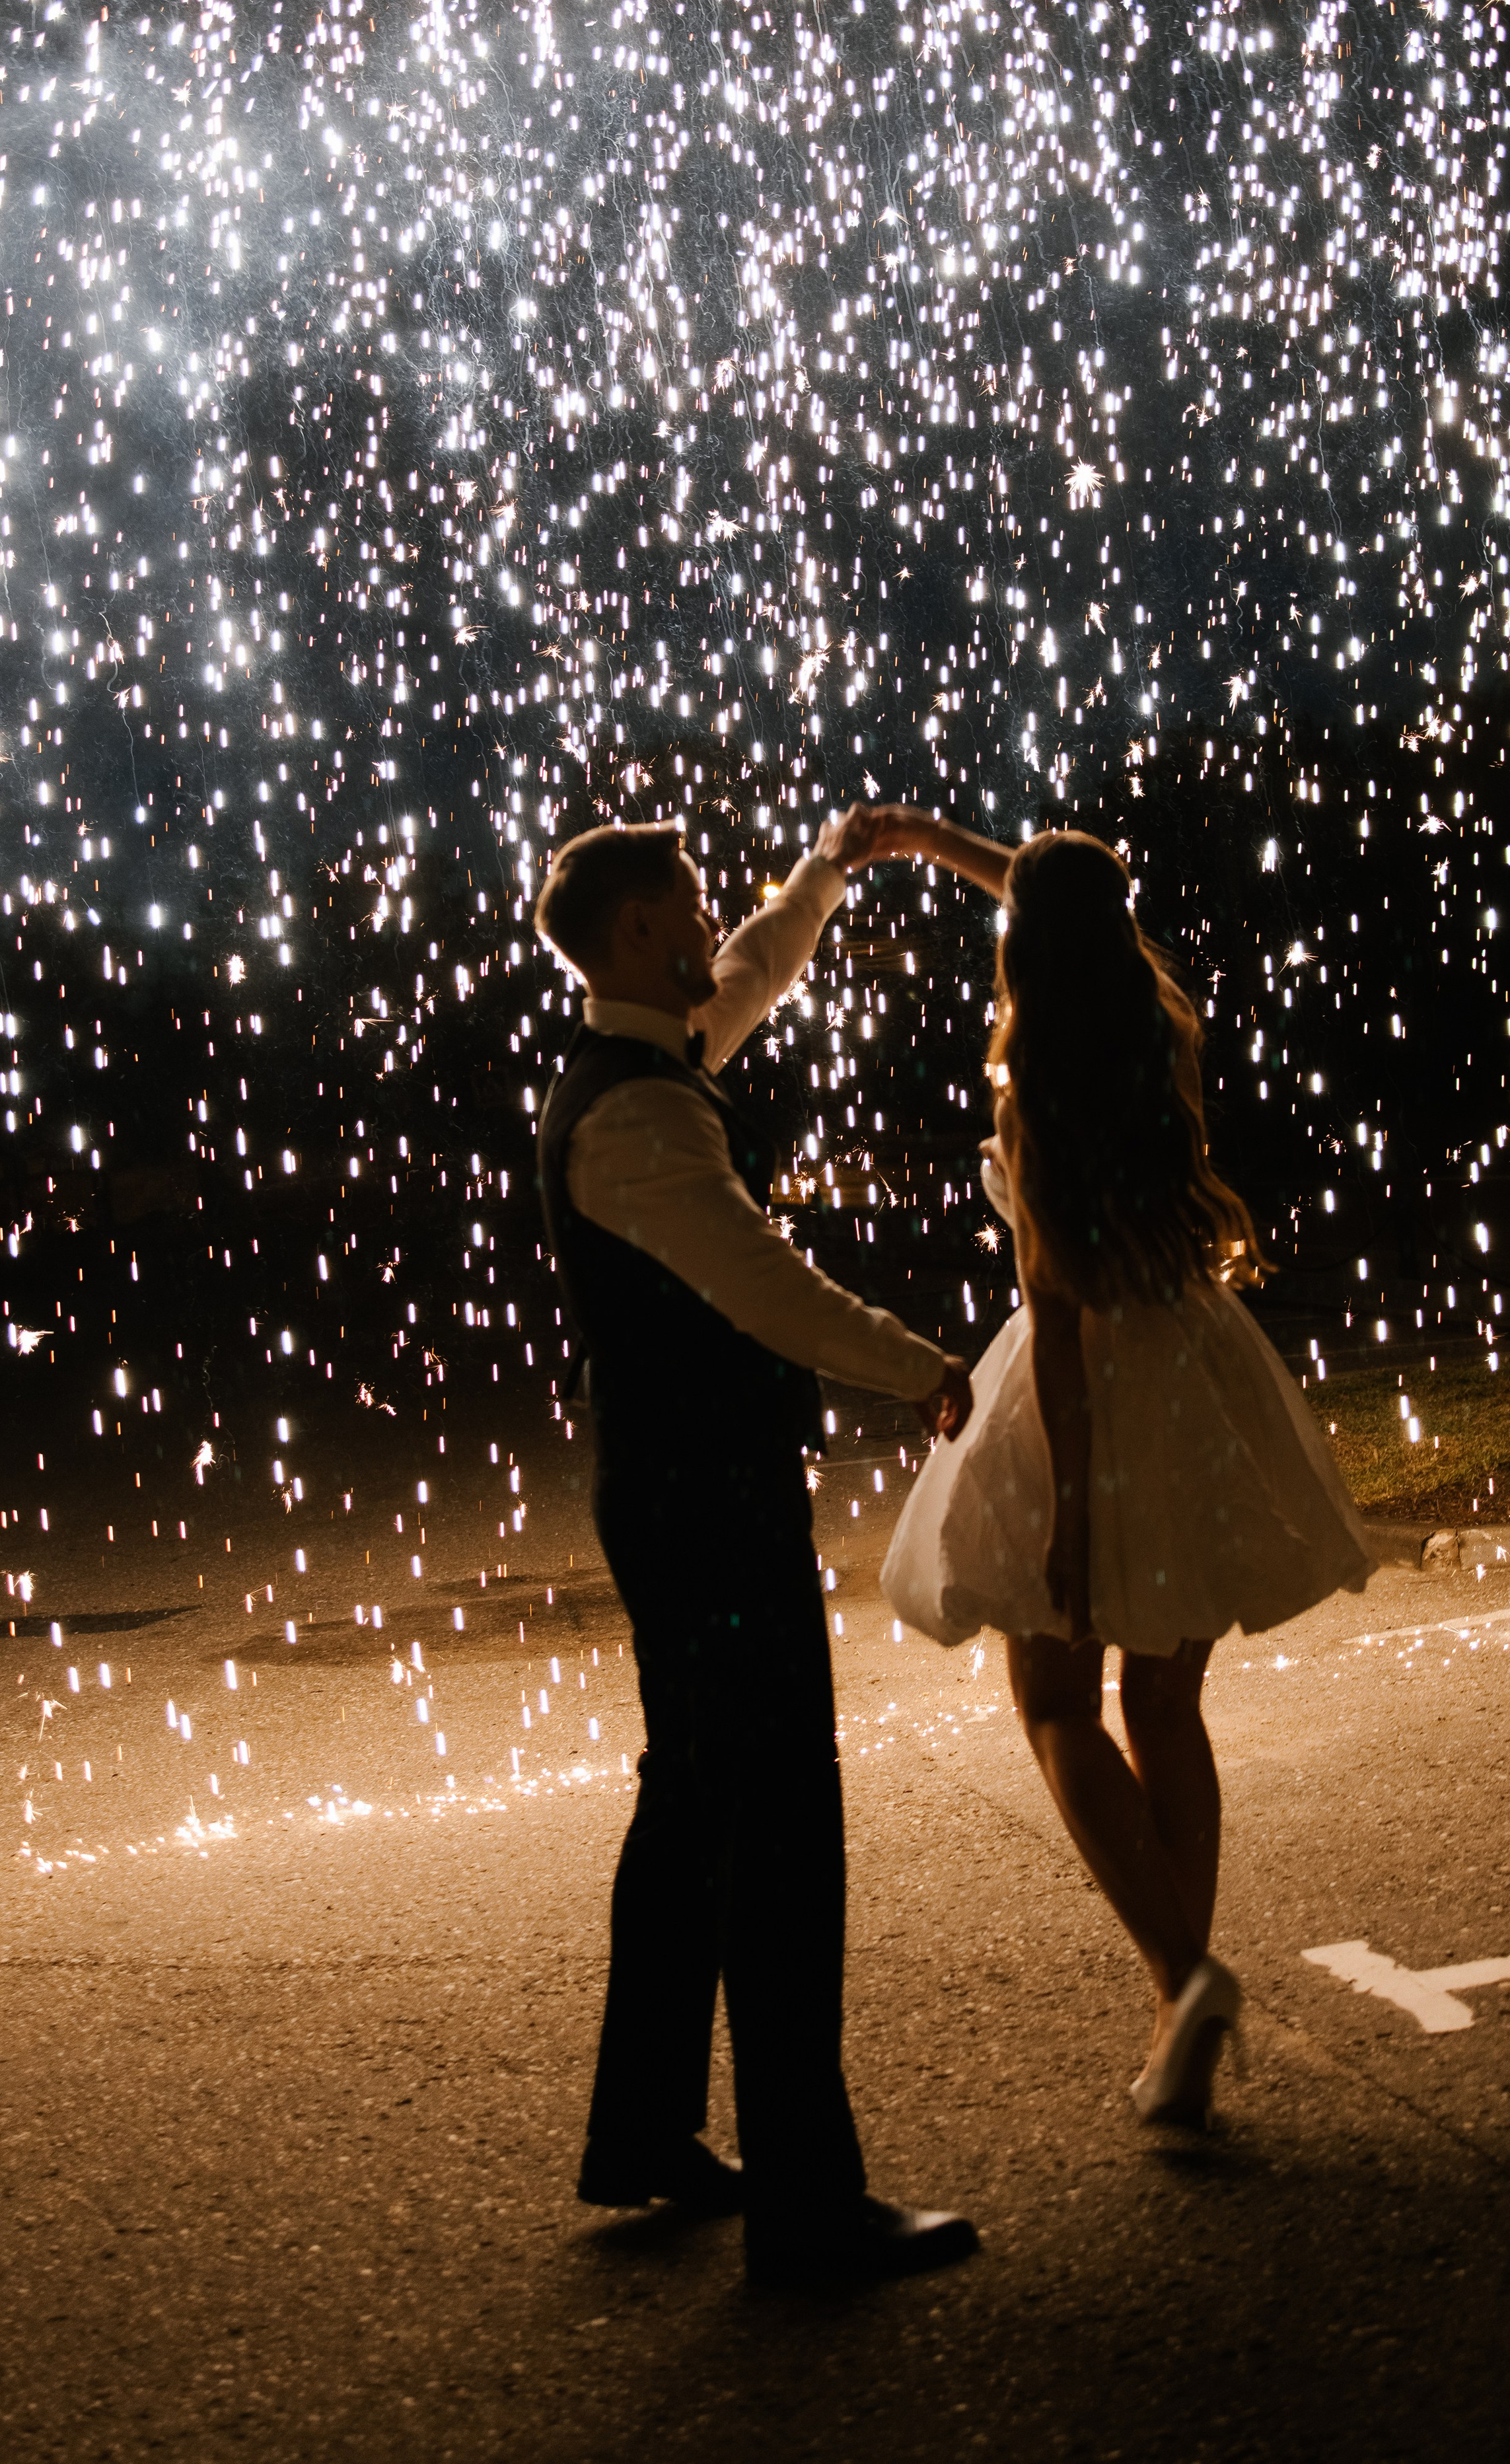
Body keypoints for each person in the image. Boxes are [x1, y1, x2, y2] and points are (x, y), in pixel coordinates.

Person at [534, 803, 980, 2287]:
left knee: (689, 1808)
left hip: (669, 1494)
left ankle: (645, 2132)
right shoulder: (638, 1116)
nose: (709, 923)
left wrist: (828, 872)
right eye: (689, 904)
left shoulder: (642, 1060)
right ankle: (804, 2203)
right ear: (639, 934)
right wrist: (918, 1361)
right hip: (707, 1508)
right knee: (779, 1823)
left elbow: (749, 965)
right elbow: (763, 1282)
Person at [875, 815, 1373, 2126]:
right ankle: (1178, 2014)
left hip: (1091, 1386)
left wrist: (1073, 1522)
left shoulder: (1031, 1078)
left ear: (1019, 950)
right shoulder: (1158, 1026)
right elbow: (1077, 909)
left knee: (1051, 1695)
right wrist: (936, 843)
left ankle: (1185, 1974)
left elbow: (1048, 1318)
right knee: (1164, 1702)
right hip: (1195, 1373)